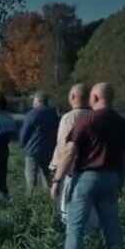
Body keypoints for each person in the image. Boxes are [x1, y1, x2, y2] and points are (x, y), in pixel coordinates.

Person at [50, 82, 125, 249]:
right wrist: (120, 182)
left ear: (95, 98)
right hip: (111, 177)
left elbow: (70, 152)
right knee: (111, 225)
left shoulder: (86, 121)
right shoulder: (122, 123)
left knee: (75, 225)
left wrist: (57, 179)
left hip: (87, 178)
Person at [50, 84, 94, 227]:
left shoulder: (70, 118)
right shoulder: (95, 116)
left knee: (68, 213)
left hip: (71, 171)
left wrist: (57, 175)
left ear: (73, 97)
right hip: (92, 170)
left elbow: (66, 148)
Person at [19, 91, 59, 192]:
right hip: (48, 149)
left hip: (32, 149)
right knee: (47, 176)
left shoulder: (32, 114)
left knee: (31, 177)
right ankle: (49, 198)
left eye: (34, 100)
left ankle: (30, 199)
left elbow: (25, 131)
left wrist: (22, 143)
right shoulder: (53, 114)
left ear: (39, 100)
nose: (33, 102)